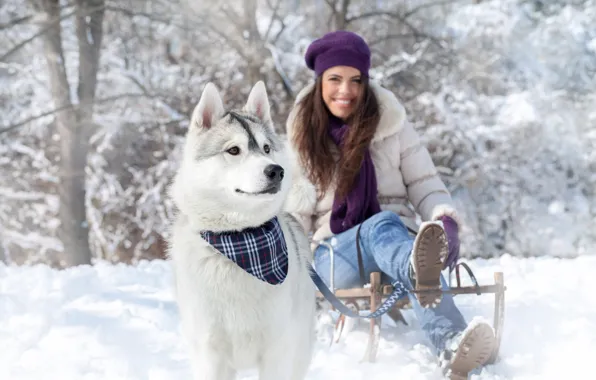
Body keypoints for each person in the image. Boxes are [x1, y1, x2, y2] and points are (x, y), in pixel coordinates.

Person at [283, 30, 496, 377]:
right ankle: (417, 271)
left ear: (367, 83)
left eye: (356, 80)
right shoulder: (303, 140)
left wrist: (444, 219)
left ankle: (453, 345)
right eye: (335, 79)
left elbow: (424, 184)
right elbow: (293, 219)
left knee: (391, 231)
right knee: (386, 228)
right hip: (334, 257)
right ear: (320, 81)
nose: (346, 91)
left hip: (395, 243)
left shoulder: (393, 126)